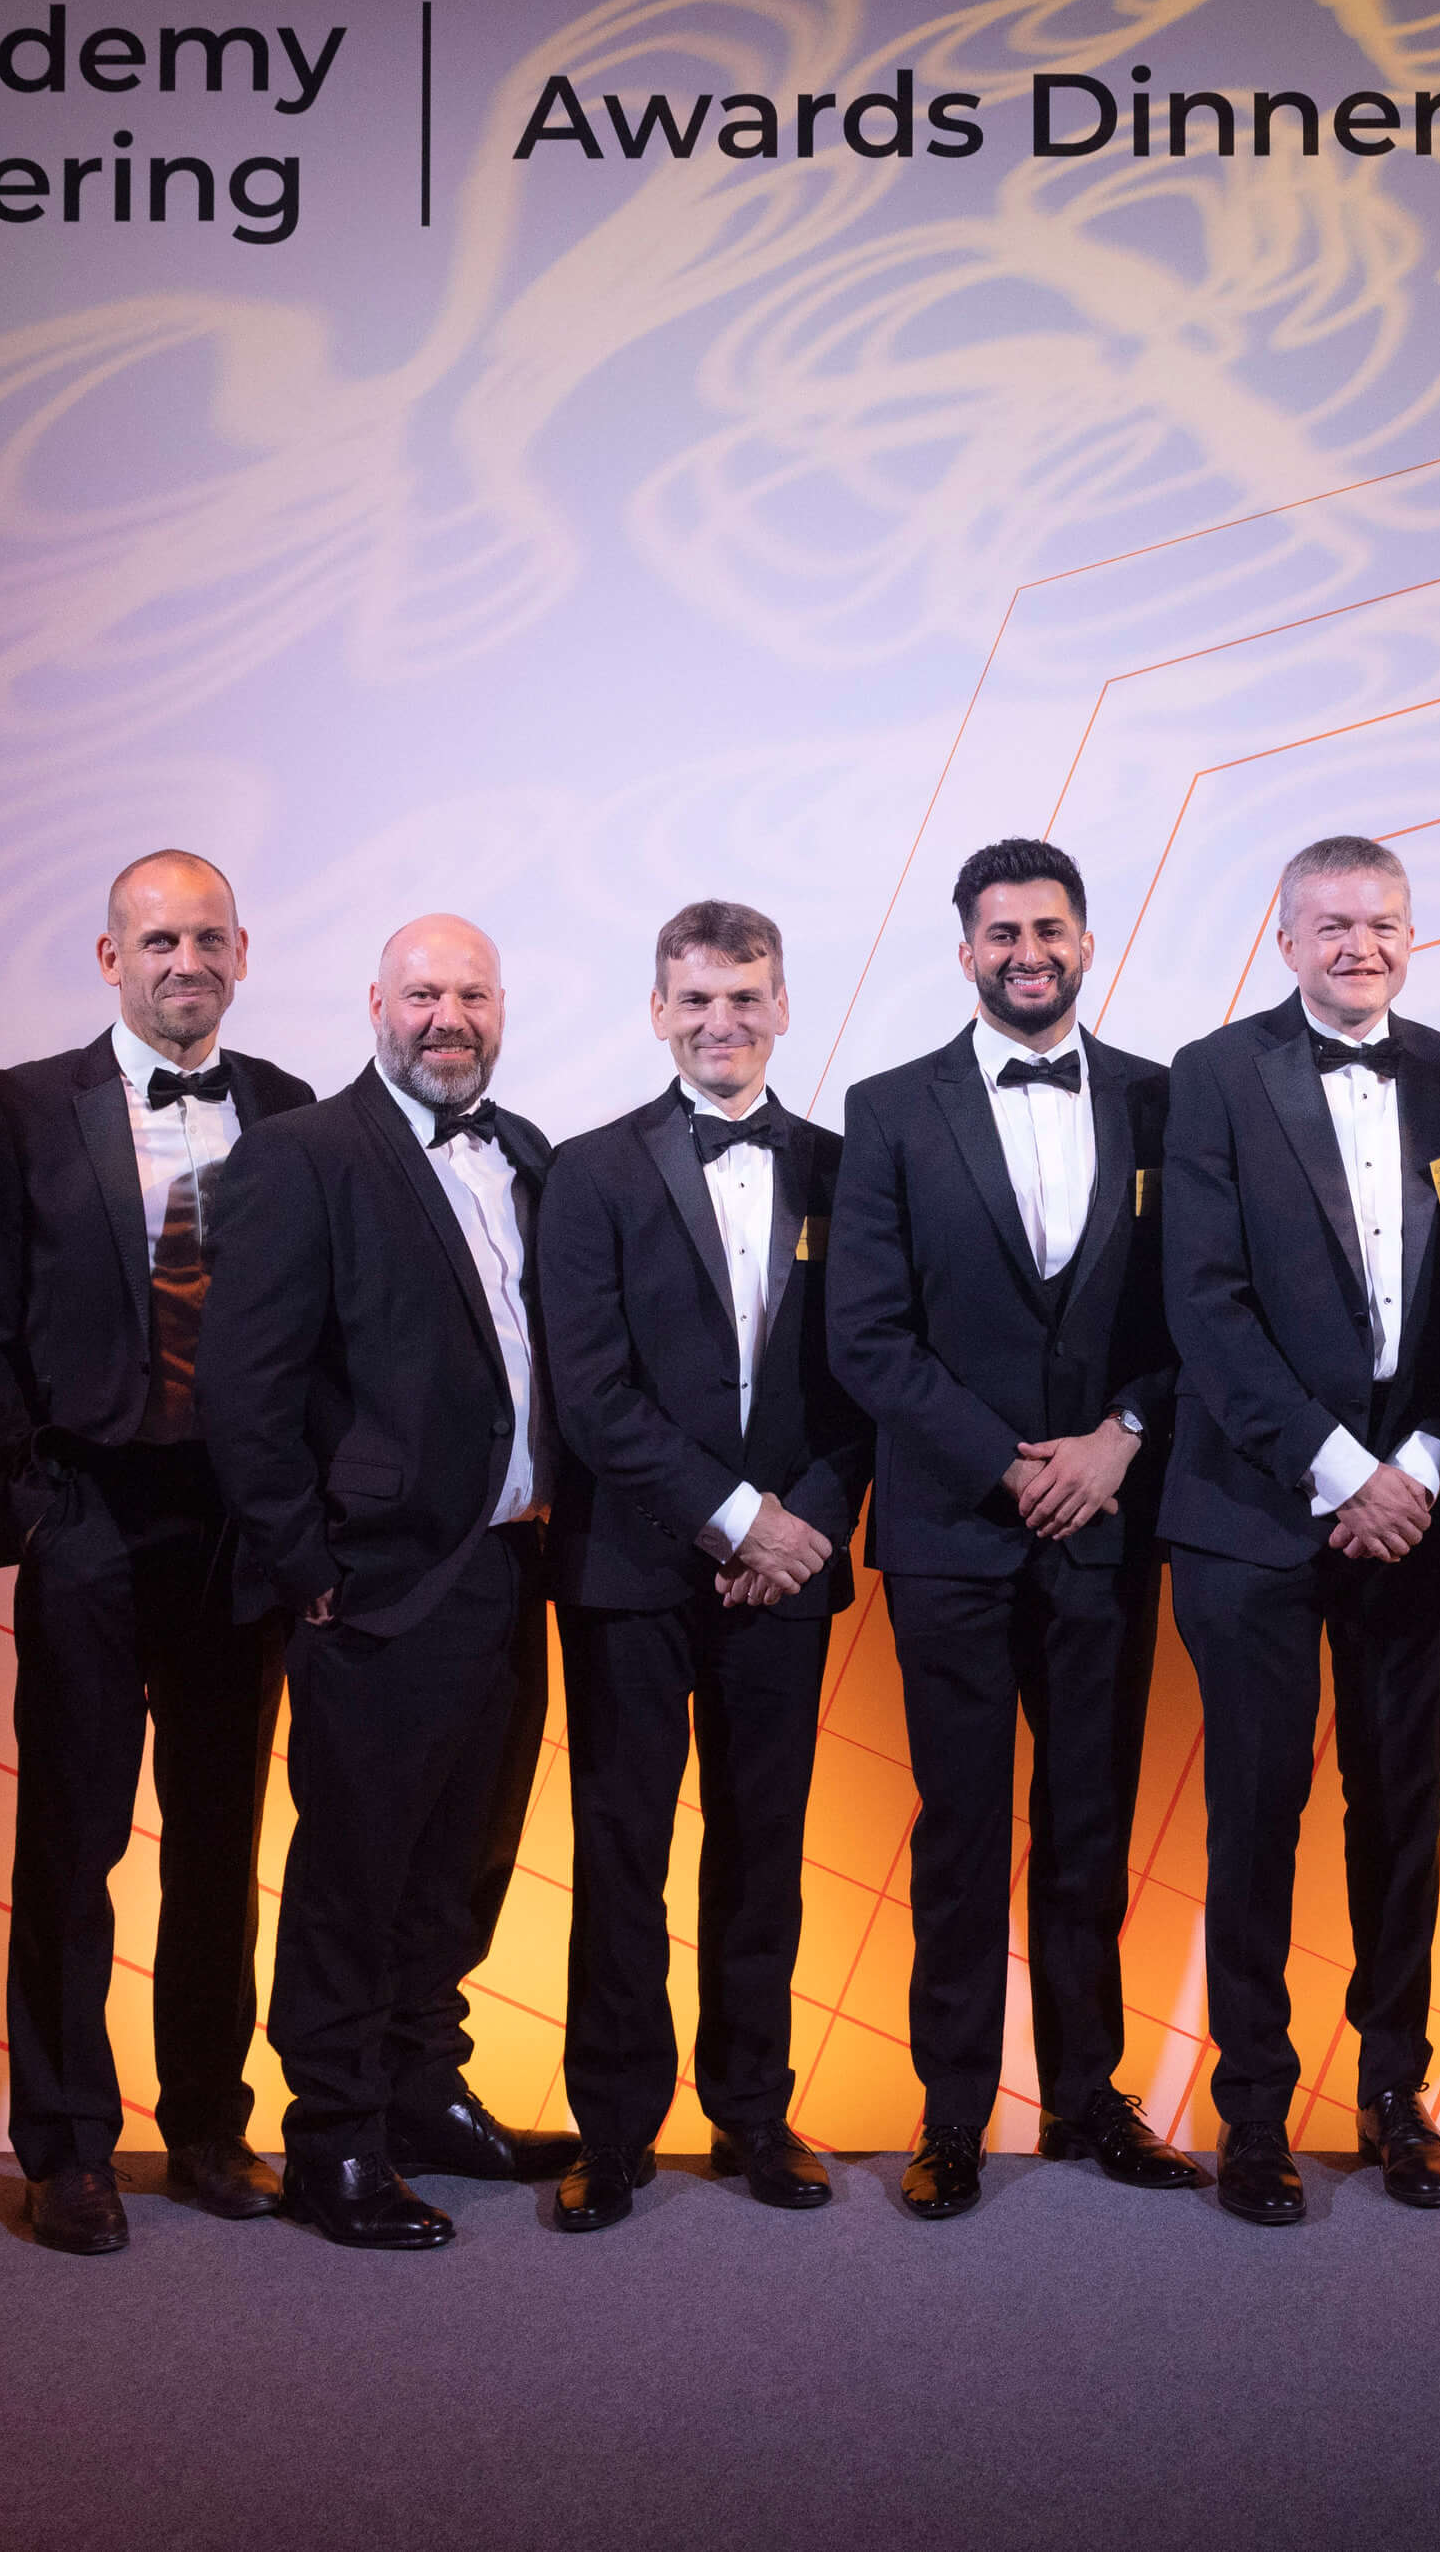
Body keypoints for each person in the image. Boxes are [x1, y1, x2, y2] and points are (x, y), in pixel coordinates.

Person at [0, 849, 316, 2256]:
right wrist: (32, 1510)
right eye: (157, 941)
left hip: (233, 1532)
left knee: (219, 1847)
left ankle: (207, 2122)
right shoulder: (18, 1108)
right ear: (108, 958)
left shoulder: (290, 1110)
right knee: (69, 1844)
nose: (184, 962)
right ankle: (67, 2144)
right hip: (86, 1515)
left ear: (243, 951)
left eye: (208, 939)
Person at [827, 839, 1204, 2217]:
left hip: (1109, 1522)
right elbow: (865, 1334)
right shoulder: (887, 1109)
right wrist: (1004, 1462)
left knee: (1092, 1828)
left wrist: (1118, 1442)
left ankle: (1090, 2099)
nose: (1025, 949)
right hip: (952, 1529)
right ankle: (949, 2114)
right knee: (961, 1830)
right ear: (964, 947)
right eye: (1000, 931)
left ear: (1088, 938)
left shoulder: (1170, 1103)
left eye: (1047, 925)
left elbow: (1203, 1314)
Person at [201, 914, 579, 2248]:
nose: (447, 1015)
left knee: (463, 1861)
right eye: (422, 991)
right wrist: (310, 1571)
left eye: (471, 990)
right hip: (370, 1586)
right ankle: (332, 2139)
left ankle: (423, 2090)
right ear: (376, 1001)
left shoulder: (528, 1153)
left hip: (502, 1572)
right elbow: (242, 1395)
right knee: (354, 1872)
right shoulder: (299, 1157)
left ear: (500, 1003)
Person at [1160, 836, 1440, 2223]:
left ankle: (1392, 2094)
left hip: (1417, 1503)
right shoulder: (1210, 1073)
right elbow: (1203, 1300)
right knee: (1255, 1810)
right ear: (1284, 935)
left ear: (1409, 935)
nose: (1357, 943)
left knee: (1402, 1817)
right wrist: (1333, 1466)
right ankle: (1251, 2110)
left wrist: (1416, 1460)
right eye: (1331, 923)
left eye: (1380, 922)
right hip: (1252, 1507)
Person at [532, 901, 875, 2228]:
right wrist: (735, 1516)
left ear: (782, 1004)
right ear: (657, 1011)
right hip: (631, 1563)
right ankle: (612, 2131)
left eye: (743, 997)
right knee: (620, 1848)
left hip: (787, 1569)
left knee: (764, 1847)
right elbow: (591, 1389)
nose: (719, 1021)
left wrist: (804, 1522)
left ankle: (751, 2115)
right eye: (694, 999)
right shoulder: (589, 1168)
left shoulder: (850, 1169)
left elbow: (866, 1380)